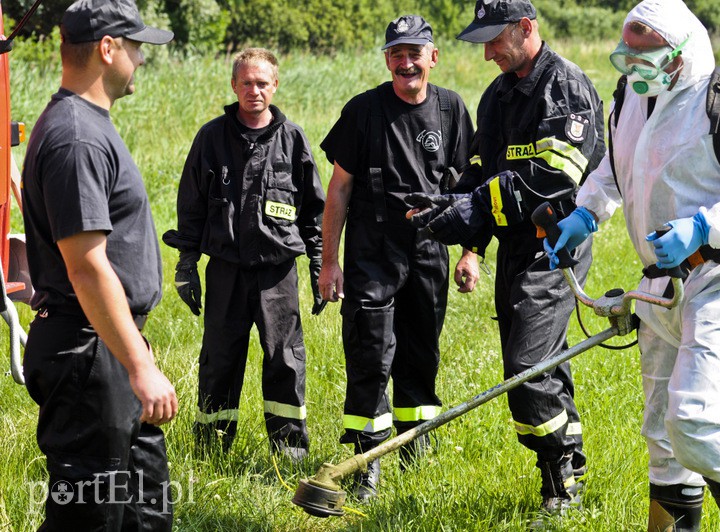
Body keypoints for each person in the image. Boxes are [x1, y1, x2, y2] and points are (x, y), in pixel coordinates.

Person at [544, 0, 720, 529]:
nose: (634, 68)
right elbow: (616, 170)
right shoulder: (630, 102)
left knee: (693, 414)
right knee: (662, 430)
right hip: (662, 282)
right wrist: (585, 214)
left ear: (681, 53)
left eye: (647, 56)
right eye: (627, 57)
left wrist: (704, 228)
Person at [405, 0, 605, 515]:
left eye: (496, 40)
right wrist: (448, 209)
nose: (489, 52)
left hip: (553, 246)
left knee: (526, 367)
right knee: (538, 365)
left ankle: (561, 483)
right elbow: (479, 176)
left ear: (526, 28)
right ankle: (566, 470)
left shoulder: (566, 87)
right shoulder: (496, 96)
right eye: (484, 43)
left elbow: (553, 182)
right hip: (515, 247)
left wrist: (471, 208)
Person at [20, 0, 178, 529]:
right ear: (107, 49)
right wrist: (138, 365)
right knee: (90, 516)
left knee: (144, 509)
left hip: (108, 344)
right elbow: (86, 268)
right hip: (89, 353)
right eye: (135, 46)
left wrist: (136, 356)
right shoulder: (76, 137)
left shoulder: (87, 125)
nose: (140, 57)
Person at [318, 15, 476, 500]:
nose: (406, 62)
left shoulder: (451, 109)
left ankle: (415, 447)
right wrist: (329, 262)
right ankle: (368, 459)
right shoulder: (363, 111)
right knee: (370, 352)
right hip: (372, 249)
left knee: (421, 354)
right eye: (396, 53)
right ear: (386, 59)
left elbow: (471, 190)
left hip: (431, 249)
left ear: (433, 56)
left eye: (415, 52)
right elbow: (339, 190)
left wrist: (471, 253)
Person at [162, 48, 326, 462]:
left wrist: (321, 265)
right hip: (226, 272)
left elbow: (314, 211)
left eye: (262, 83)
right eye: (247, 83)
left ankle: (288, 451)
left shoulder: (294, 140)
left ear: (275, 86)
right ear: (234, 85)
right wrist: (186, 265)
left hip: (277, 274)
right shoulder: (211, 138)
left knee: (285, 361)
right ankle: (212, 448)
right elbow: (192, 207)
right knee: (220, 359)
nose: (254, 90)